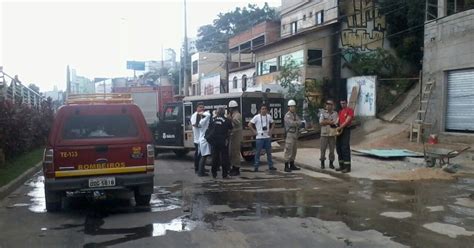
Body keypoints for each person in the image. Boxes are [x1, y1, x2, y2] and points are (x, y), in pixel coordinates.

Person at [249, 104, 276, 172]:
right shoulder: (257, 117)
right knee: (258, 152)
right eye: (262, 109)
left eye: (265, 109)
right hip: (259, 137)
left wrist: (271, 130)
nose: (264, 110)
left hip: (267, 137)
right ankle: (256, 166)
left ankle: (271, 166)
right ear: (260, 110)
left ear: (267, 110)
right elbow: (249, 124)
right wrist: (254, 131)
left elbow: (273, 123)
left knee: (269, 152)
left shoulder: (269, 116)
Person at [209, 107, 233, 178]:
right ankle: (224, 174)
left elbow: (209, 129)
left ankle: (214, 173)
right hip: (223, 141)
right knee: (224, 158)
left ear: (217, 112)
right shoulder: (227, 120)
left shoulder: (213, 120)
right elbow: (231, 129)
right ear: (224, 113)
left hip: (214, 141)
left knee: (215, 157)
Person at [336, 99, 354, 173]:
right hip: (339, 130)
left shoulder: (350, 110)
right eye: (341, 103)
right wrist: (335, 125)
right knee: (338, 147)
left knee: (345, 147)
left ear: (346, 103)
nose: (342, 105)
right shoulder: (340, 111)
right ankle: (341, 165)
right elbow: (337, 120)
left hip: (345, 130)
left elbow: (347, 121)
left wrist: (340, 127)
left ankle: (347, 167)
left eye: (343, 103)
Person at [283, 99, 302, 173]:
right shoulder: (287, 115)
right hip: (290, 134)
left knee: (294, 150)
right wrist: (297, 123)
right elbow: (291, 123)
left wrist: (296, 122)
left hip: (295, 134)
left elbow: (300, 122)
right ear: (289, 107)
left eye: (294, 106)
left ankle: (292, 164)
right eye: (291, 107)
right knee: (288, 150)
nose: (293, 108)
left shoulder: (295, 114)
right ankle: (286, 165)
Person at [319, 100, 338, 169]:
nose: (328, 105)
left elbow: (335, 122)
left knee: (332, 150)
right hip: (324, 134)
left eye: (329, 104)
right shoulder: (323, 113)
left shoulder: (335, 113)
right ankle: (322, 163)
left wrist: (326, 121)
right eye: (327, 104)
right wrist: (329, 122)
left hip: (332, 134)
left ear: (332, 106)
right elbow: (321, 122)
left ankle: (331, 163)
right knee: (323, 149)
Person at [228, 100, 242, 176]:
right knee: (232, 153)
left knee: (235, 153)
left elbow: (237, 122)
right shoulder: (233, 114)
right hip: (233, 136)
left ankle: (236, 169)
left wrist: (230, 119)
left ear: (232, 108)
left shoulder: (237, 115)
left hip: (236, 136)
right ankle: (233, 167)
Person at [197, 110, 212, 177]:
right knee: (204, 156)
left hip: (202, 139)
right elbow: (208, 115)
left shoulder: (201, 121)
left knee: (203, 156)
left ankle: (201, 171)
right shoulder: (204, 120)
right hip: (204, 140)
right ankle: (200, 172)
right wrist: (205, 113)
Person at [190, 102, 204, 174]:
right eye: (200, 107)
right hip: (198, 139)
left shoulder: (203, 115)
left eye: (202, 107)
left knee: (202, 155)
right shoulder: (194, 116)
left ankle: (201, 168)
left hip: (202, 139)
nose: (202, 108)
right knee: (198, 155)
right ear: (197, 108)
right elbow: (195, 125)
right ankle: (197, 168)